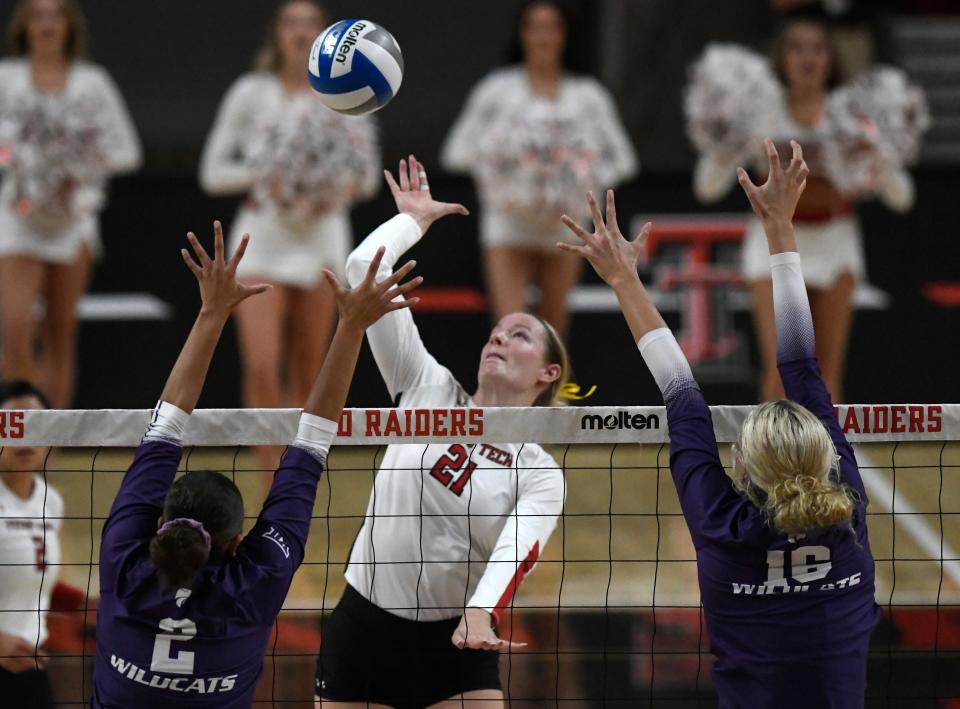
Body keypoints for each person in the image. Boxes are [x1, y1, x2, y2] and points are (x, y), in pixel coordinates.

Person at [563, 140, 878, 707]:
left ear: (744, 466)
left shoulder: (747, 523)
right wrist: (783, 225)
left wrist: (626, 281)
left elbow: (690, 392)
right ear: (824, 458)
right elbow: (789, 369)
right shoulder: (843, 515)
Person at [91, 222, 420, 708]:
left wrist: (210, 313)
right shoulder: (252, 585)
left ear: (158, 525)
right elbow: (311, 439)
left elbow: (170, 424)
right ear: (238, 544)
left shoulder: (124, 564)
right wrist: (351, 327)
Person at [314, 157, 567, 709]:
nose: (499, 339)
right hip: (364, 632)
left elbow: (518, 551)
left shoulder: (540, 470)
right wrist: (414, 222)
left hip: (456, 642)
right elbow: (362, 270)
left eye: (520, 334)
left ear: (548, 374)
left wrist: (484, 610)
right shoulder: (425, 383)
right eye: (496, 333)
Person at [692, 17, 916, 402]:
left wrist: (879, 157)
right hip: (773, 242)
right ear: (782, 58)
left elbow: (902, 197)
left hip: (835, 240)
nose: (807, 58)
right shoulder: (759, 115)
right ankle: (765, 462)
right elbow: (707, 188)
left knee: (827, 375)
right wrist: (725, 142)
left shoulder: (850, 117)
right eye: (797, 48)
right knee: (782, 373)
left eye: (818, 48)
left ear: (831, 59)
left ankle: (830, 463)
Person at [199, 0, 380, 473]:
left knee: (309, 369)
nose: (300, 32)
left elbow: (367, 178)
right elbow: (213, 172)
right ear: (276, 34)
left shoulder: (348, 92)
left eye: (310, 24)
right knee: (261, 365)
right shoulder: (250, 92)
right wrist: (273, 172)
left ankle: (293, 483)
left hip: (321, 238)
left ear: (327, 37)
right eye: (290, 23)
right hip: (262, 238)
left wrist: (327, 187)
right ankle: (266, 475)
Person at [441, 0, 636, 339]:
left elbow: (623, 161)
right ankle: (511, 394)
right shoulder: (498, 90)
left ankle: (547, 393)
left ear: (565, 35)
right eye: (535, 27)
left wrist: (577, 181)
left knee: (553, 335)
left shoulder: (588, 96)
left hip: (565, 225)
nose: (543, 37)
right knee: (511, 331)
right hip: (508, 223)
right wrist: (506, 171)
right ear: (523, 34)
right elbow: (456, 152)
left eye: (552, 28)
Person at [0, 0, 141, 407]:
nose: (47, 25)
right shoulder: (7, 78)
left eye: (55, 15)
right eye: (38, 16)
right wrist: (23, 163)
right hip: (19, 216)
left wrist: (78, 167)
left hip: (73, 220)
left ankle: (50, 455)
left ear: (68, 25)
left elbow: (127, 150)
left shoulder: (92, 82)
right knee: (16, 329)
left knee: (60, 336)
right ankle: (19, 444)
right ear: (24, 25)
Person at [0, 380, 60, 708]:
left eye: (34, 424)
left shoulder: (51, 501)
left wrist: (81, 603)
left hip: (30, 664)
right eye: (12, 424)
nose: (23, 435)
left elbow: (34, 571)